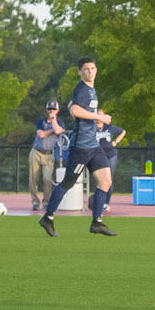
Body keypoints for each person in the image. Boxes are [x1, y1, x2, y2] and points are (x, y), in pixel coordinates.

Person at [38, 57, 116, 237]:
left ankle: (97, 222)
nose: (90, 71)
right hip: (81, 146)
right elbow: (75, 111)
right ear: (80, 72)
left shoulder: (91, 90)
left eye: (92, 68)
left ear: (96, 70)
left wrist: (88, 113)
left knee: (106, 181)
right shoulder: (81, 89)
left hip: (93, 145)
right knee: (68, 182)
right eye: (86, 69)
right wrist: (99, 117)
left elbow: (74, 106)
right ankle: (47, 218)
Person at [30, 100, 64, 211]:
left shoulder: (60, 121)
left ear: (58, 110)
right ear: (46, 109)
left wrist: (54, 122)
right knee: (33, 178)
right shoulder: (41, 121)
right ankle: (35, 202)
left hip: (49, 154)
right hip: (36, 152)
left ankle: (46, 202)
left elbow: (58, 130)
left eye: (54, 109)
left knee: (47, 179)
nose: (51, 111)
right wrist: (52, 131)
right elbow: (41, 134)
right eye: (50, 109)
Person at [94, 110, 125, 210]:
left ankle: (106, 203)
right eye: (97, 115)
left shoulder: (109, 127)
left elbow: (122, 131)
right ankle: (98, 201)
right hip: (98, 155)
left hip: (110, 155)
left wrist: (116, 141)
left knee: (108, 179)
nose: (99, 118)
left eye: (101, 115)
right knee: (100, 179)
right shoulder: (91, 128)